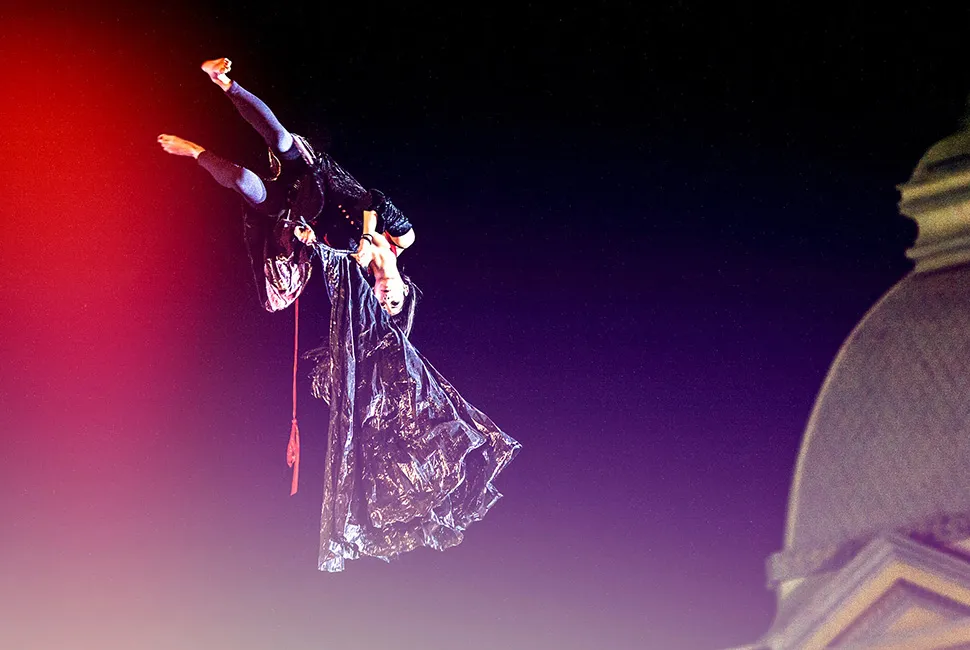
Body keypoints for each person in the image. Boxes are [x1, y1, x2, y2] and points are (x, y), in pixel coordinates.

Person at [159, 59, 520, 571]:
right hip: (341, 249)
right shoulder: (299, 194)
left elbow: (275, 142)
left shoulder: (337, 211)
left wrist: (226, 87)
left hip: (342, 261)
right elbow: (259, 161)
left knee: (255, 179)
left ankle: (206, 128)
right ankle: (222, 83)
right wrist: (209, 128)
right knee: (267, 165)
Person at [158, 57, 414, 314]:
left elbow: (321, 247)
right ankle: (222, 80)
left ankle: (194, 151)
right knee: (280, 138)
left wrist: (309, 239)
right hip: (317, 177)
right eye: (394, 302)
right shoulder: (402, 240)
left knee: (242, 180)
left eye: (381, 304)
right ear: (405, 290)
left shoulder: (356, 266)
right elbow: (375, 198)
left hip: (294, 209)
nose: (386, 298)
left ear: (373, 294)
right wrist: (367, 238)